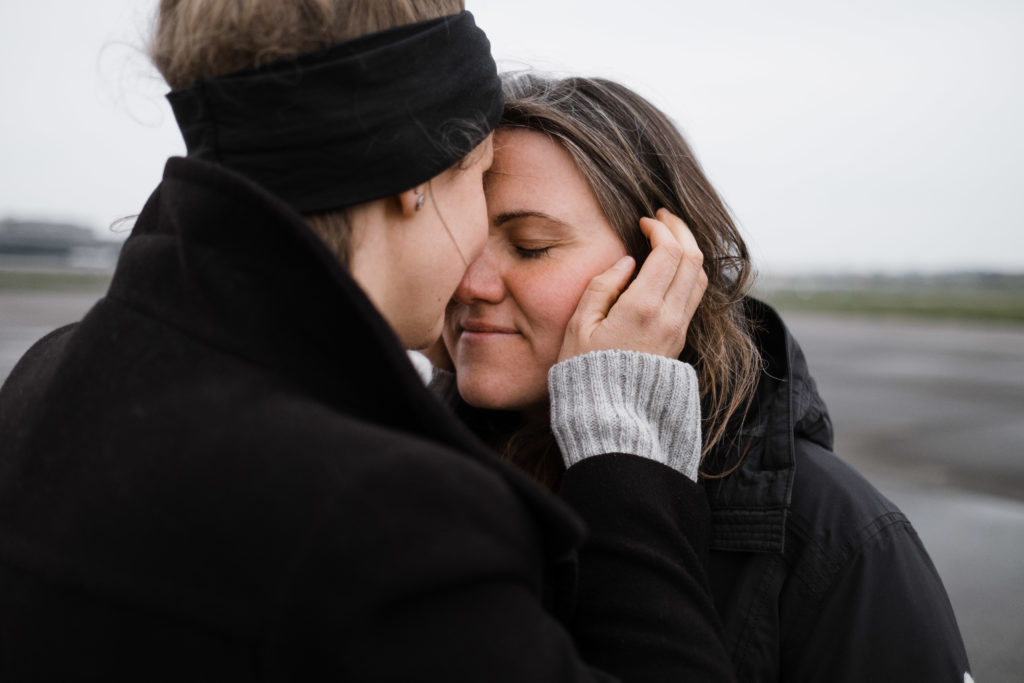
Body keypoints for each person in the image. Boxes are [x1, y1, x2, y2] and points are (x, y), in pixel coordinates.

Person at [0, 2, 739, 681]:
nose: (475, 270)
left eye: (532, 245)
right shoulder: (387, 516)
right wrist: (624, 458)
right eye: (477, 180)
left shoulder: (47, 375)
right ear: (417, 177)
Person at [440, 72, 973, 682]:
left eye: (531, 245)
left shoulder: (836, 536)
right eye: (459, 242)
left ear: (662, 269)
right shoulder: (406, 472)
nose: (468, 284)